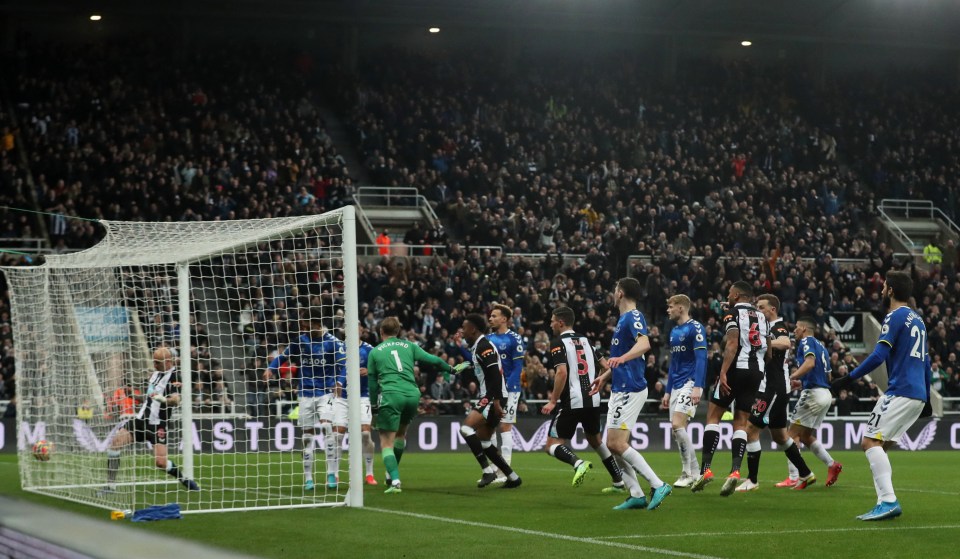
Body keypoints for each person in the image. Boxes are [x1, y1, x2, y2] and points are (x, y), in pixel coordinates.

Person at [834, 271, 931, 521]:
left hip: (901, 389)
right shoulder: (917, 320)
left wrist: (849, 377)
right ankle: (883, 502)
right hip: (917, 392)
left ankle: (888, 501)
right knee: (882, 445)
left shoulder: (894, 317)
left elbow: (879, 355)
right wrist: (928, 398)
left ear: (890, 290)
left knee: (869, 442)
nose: (882, 289)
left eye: (885, 286)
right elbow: (926, 363)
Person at [589, 278, 671, 510]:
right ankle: (636, 494)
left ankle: (658, 484)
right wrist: (604, 377)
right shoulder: (623, 320)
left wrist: (621, 359)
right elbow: (620, 360)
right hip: (620, 386)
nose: (613, 292)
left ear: (621, 293)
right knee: (613, 444)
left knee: (615, 443)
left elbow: (645, 345)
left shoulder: (634, 316)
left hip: (631, 387)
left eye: (615, 289)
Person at [692, 281, 768, 496]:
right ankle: (735, 472)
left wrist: (724, 372)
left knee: (713, 416)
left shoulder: (732, 314)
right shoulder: (762, 317)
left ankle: (705, 470)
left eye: (729, 293)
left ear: (736, 295)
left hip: (736, 368)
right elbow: (768, 350)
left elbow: (732, 343)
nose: (728, 295)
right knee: (741, 422)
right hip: (757, 371)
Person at [367, 316, 458, 493]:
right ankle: (390, 474)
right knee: (401, 435)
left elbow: (372, 383)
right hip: (412, 394)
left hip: (392, 395)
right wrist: (452, 369)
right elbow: (436, 361)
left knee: (386, 442)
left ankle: (395, 481)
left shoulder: (375, 352)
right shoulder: (410, 345)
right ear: (399, 331)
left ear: (381, 332)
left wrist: (373, 406)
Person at [540, 306, 624, 491]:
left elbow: (561, 372)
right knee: (595, 440)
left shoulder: (558, 342)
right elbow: (607, 366)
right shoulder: (586, 341)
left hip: (572, 400)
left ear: (561, 322)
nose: (550, 324)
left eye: (552, 320)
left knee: (551, 445)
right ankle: (618, 481)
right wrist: (600, 383)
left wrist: (553, 400)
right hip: (593, 400)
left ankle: (578, 463)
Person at [740, 295, 815, 492]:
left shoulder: (777, 327)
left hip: (772, 389)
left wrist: (763, 344)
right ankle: (806, 473)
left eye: (761, 307)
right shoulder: (765, 328)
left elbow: (785, 342)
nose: (759, 310)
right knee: (781, 437)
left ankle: (752, 480)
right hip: (777, 388)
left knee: (750, 430)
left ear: (772, 309)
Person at [264, 309, 345, 491]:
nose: (304, 328)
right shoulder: (300, 341)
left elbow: (344, 366)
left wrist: (339, 382)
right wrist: (271, 368)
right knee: (307, 437)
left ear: (317, 324)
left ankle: (331, 473)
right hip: (305, 393)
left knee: (327, 428)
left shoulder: (333, 343)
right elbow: (283, 357)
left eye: (307, 325)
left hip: (327, 393)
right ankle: (308, 478)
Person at [103, 347, 200, 493]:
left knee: (160, 463)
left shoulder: (175, 378)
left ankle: (183, 479)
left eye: (157, 363)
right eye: (154, 362)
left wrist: (162, 399)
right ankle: (110, 486)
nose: (154, 365)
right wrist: (133, 396)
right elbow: (149, 398)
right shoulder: (155, 375)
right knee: (114, 445)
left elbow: (175, 400)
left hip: (157, 426)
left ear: (168, 362)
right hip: (140, 420)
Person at [457, 313, 522, 489]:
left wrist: (495, 402)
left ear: (473, 329)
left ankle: (487, 471)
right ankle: (513, 477)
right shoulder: (478, 346)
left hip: (493, 396)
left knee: (465, 429)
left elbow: (495, 375)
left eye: (464, 327)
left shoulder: (484, 346)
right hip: (494, 396)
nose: (462, 331)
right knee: (485, 441)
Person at [775, 317, 841, 490]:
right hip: (825, 393)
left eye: (796, 327)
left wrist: (792, 377)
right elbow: (828, 376)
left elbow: (810, 363)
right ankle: (832, 464)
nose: (794, 330)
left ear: (804, 328)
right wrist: (802, 381)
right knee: (805, 436)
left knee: (790, 435)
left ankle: (794, 477)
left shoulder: (806, 342)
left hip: (813, 394)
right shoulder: (822, 347)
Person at [661, 294, 707, 488]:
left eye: (671, 306)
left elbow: (702, 358)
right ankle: (696, 473)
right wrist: (667, 390)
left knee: (678, 425)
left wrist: (698, 386)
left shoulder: (695, 328)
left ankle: (687, 473)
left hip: (690, 383)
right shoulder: (674, 331)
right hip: (677, 384)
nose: (668, 310)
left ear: (681, 308)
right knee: (677, 430)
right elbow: (673, 364)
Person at [486, 303, 526, 480]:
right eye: (490, 316)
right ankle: (495, 468)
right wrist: (460, 346)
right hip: (492, 389)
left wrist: (506, 389)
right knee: (490, 428)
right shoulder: (487, 339)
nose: (490, 318)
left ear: (504, 319)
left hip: (510, 390)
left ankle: (505, 469)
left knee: (505, 426)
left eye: (494, 316)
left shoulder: (514, 339)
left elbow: (518, 368)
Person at [334, 324, 377, 486]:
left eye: (357, 328)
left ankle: (369, 474)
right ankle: (334, 474)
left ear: (362, 331)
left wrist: (369, 370)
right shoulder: (338, 348)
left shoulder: (369, 350)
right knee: (337, 435)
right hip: (342, 397)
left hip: (362, 396)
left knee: (365, 434)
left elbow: (379, 369)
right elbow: (333, 369)